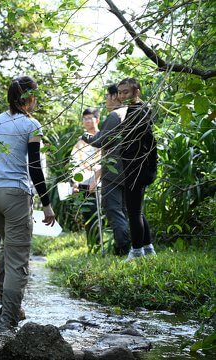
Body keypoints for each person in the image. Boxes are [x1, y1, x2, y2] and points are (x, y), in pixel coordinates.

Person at [0, 76, 55, 329]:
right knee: (17, 259)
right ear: (29, 97)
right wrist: (46, 202)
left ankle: (2, 294)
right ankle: (8, 320)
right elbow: (34, 166)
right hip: (14, 194)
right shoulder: (31, 125)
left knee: (8, 245)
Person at [82, 85, 131, 255]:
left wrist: (85, 135)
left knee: (113, 210)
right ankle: (136, 249)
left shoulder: (115, 115)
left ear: (114, 97)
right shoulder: (133, 113)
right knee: (127, 211)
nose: (106, 101)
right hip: (131, 170)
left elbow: (99, 141)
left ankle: (123, 251)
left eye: (106, 97)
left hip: (114, 170)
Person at [117, 78, 157, 261]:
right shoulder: (135, 110)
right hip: (135, 166)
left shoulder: (138, 111)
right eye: (120, 92)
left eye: (126, 92)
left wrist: (147, 168)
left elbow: (148, 142)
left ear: (137, 92)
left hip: (137, 167)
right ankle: (148, 249)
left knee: (132, 210)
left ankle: (137, 251)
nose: (122, 95)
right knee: (136, 210)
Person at [70, 107, 101, 248]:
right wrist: (75, 182)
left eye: (90, 118)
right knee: (87, 214)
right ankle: (91, 245)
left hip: (98, 182)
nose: (87, 121)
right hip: (83, 181)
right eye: (85, 118)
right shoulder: (80, 140)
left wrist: (96, 180)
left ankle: (101, 245)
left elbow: (103, 161)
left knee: (98, 214)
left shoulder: (102, 137)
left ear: (97, 119)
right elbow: (75, 161)